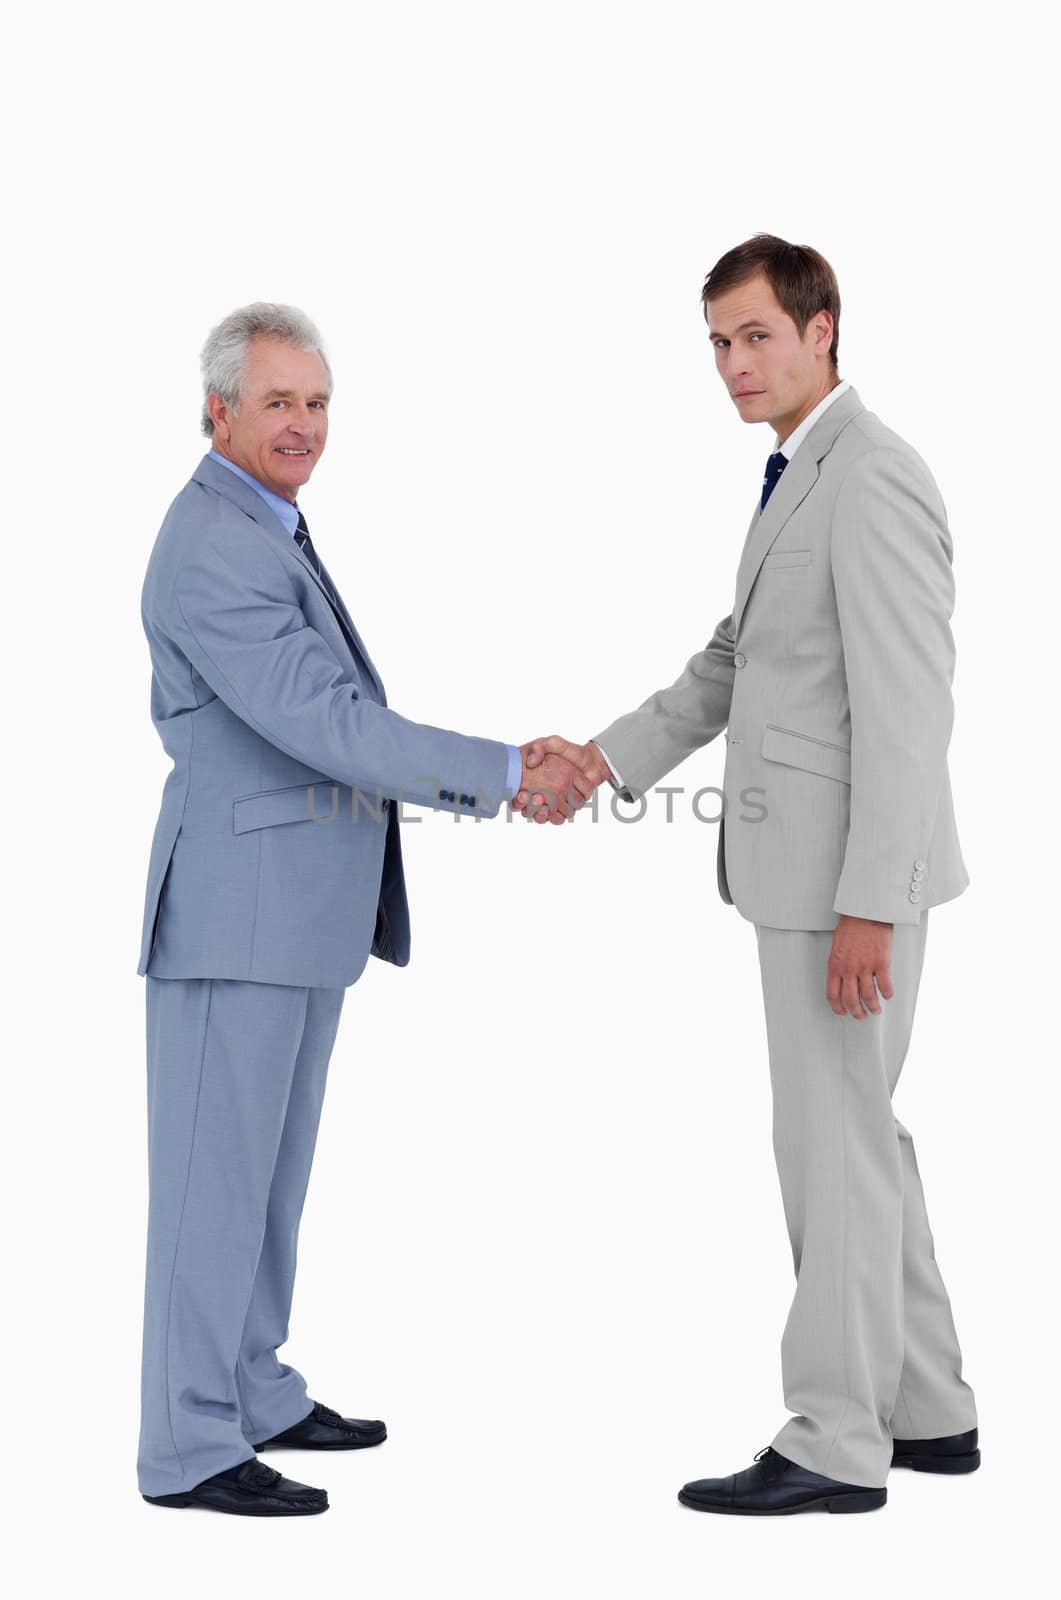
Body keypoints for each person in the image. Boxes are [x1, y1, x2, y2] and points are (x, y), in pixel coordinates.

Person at [520, 235, 979, 1516]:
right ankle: (928, 1408)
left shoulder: (871, 475)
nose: (731, 364)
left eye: (754, 336)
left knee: (826, 1150)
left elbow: (907, 710)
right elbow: (731, 664)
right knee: (858, 1137)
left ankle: (837, 1439)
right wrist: (600, 759)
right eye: (716, 343)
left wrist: (868, 906)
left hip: (839, 882)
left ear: (822, 327)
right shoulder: (797, 473)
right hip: (805, 874)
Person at [135, 302, 586, 1516]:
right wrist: (504, 771)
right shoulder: (214, 544)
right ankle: (185, 1445)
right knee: (208, 1181)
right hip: (238, 913)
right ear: (217, 411)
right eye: (277, 401)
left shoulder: (263, 523)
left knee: (268, 1175)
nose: (302, 424)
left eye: (317, 401)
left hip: (292, 914)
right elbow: (327, 726)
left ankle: (251, 1385)